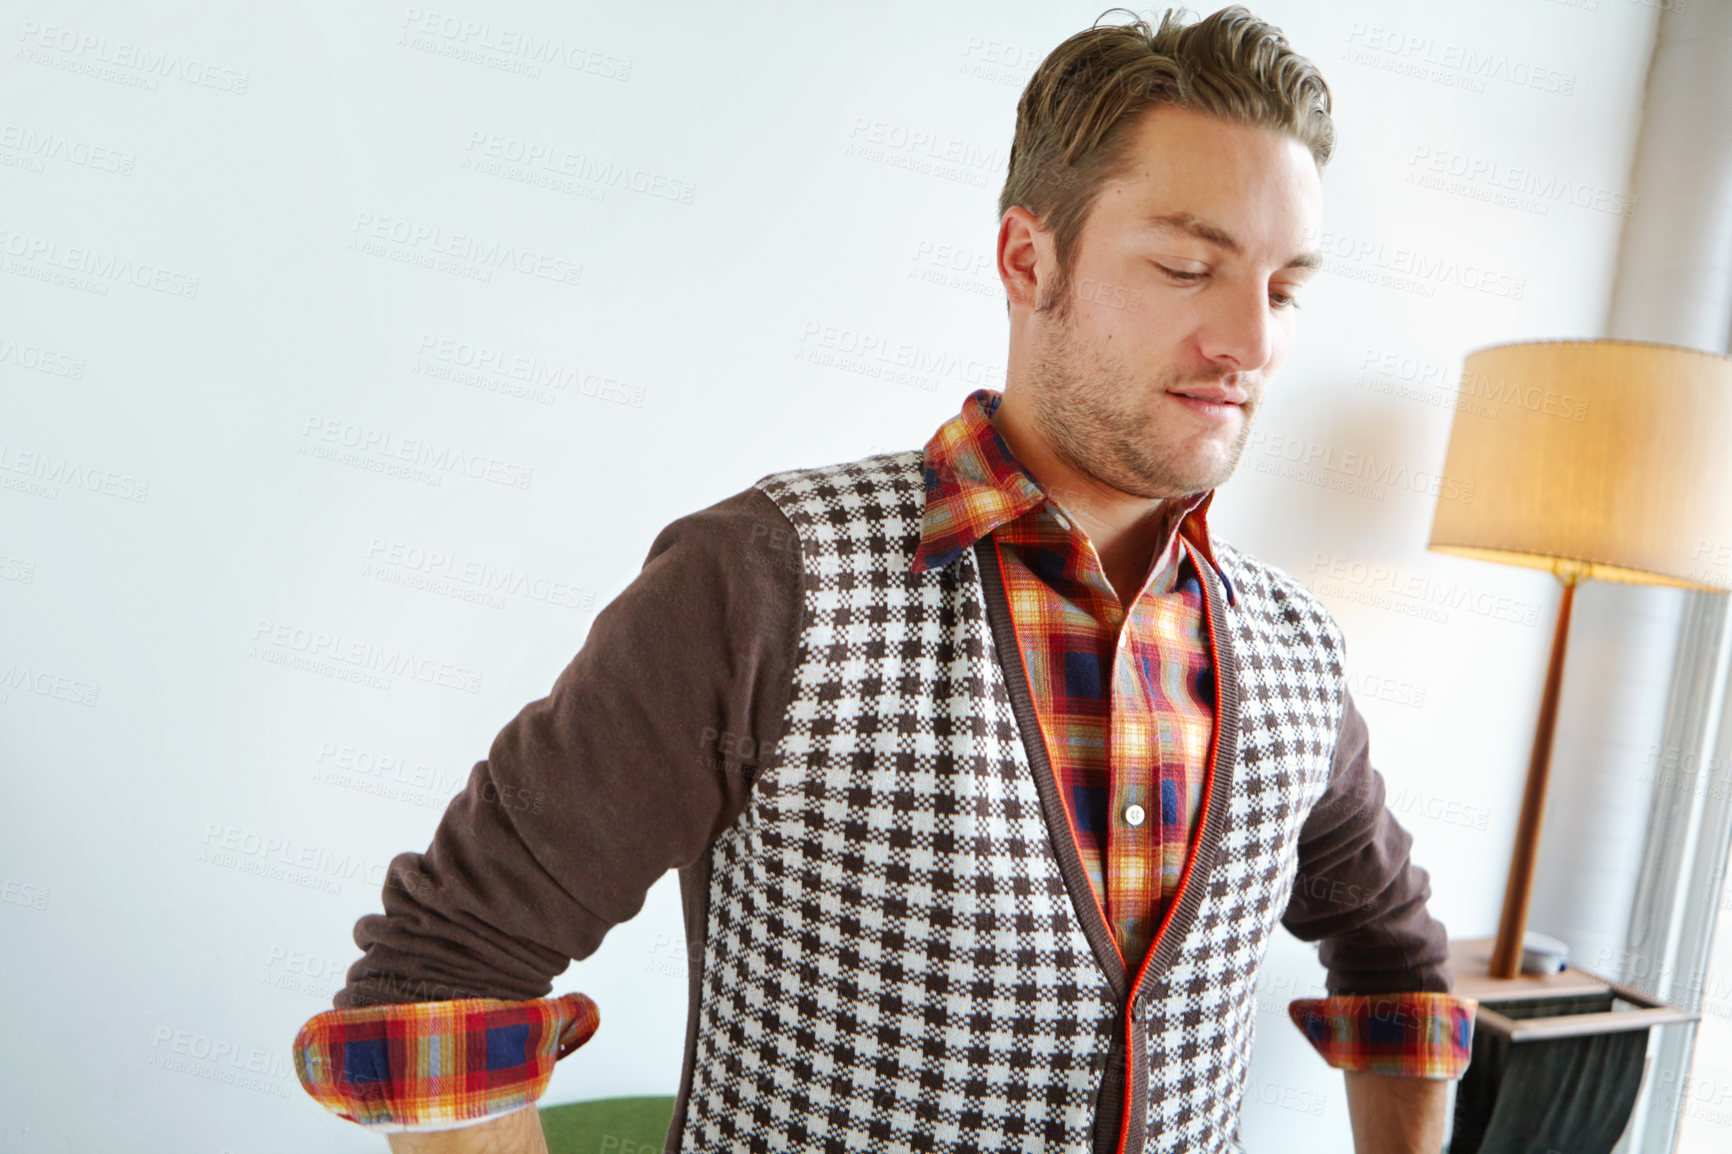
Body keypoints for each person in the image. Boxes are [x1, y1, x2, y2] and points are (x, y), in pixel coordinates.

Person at [291, 7, 1476, 1153]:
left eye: (1281, 290)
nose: (1252, 343)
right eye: (1184, 265)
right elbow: (437, 983)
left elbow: (1399, 973)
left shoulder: (1292, 650)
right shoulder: (764, 580)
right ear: (1028, 258)